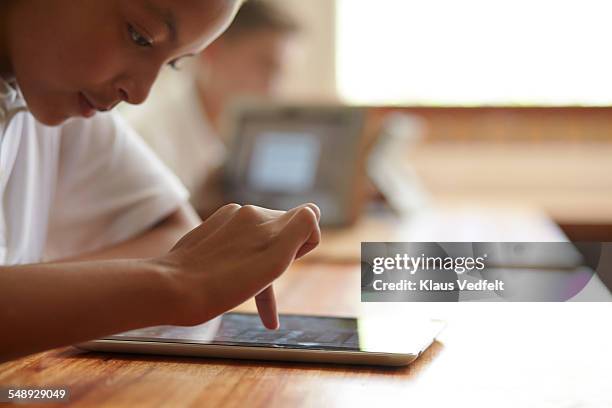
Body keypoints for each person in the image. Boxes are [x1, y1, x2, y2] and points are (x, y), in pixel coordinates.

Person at [0, 0, 320, 362]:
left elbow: (172, 232)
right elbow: (175, 259)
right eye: (140, 36)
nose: (138, 95)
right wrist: (176, 282)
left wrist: (25, 297)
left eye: (173, 63)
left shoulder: (55, 91)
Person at [124, 0, 297, 217]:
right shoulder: (147, 137)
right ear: (212, 52)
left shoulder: (250, 133)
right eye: (266, 65)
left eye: (282, 72)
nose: (275, 88)